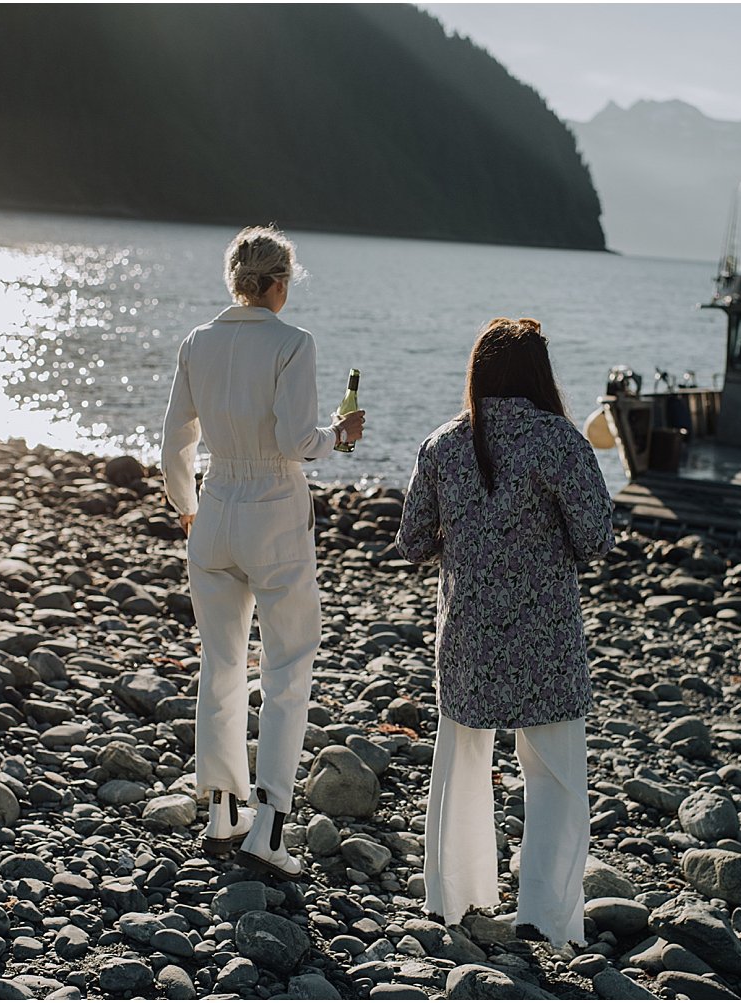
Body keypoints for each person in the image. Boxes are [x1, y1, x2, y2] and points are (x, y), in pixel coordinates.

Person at [396, 317, 614, 947]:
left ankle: (455, 897)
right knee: (556, 781)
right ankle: (545, 920)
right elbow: (596, 538)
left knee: (460, 766)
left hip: (467, 635)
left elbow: (413, 542)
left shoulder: (443, 445)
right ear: (539, 375)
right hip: (544, 639)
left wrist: (467, 540)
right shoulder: (560, 442)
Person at [161, 225, 364, 880]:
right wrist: (340, 434)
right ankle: (270, 828)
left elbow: (174, 447)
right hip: (275, 515)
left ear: (235, 281)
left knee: (220, 666)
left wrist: (188, 506)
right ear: (278, 284)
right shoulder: (292, 343)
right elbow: (297, 438)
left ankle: (224, 813)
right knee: (287, 670)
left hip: (214, 508)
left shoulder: (198, 341)